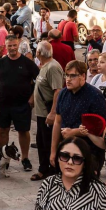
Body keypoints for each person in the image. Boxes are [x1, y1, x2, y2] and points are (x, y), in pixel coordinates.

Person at [0, 29, 38, 173]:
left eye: (14, 45)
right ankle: (3, 157)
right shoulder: (0, 63)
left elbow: (39, 81)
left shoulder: (27, 63)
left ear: (18, 45)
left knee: (23, 131)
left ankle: (24, 158)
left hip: (22, 104)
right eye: (9, 46)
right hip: (3, 103)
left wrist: (32, 98)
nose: (12, 48)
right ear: (5, 46)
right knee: (3, 131)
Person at [50, 59, 106, 172]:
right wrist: (53, 152)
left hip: (89, 153)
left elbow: (99, 128)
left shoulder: (95, 96)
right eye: (66, 75)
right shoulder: (63, 93)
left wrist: (73, 132)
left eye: (72, 76)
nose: (68, 79)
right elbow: (57, 122)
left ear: (83, 76)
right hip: (66, 150)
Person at [34, 41, 65, 181]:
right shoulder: (45, 66)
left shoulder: (53, 67)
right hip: (41, 113)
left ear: (39, 52)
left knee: (48, 142)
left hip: (47, 113)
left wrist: (53, 113)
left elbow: (58, 91)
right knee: (41, 141)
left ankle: (52, 171)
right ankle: (43, 169)